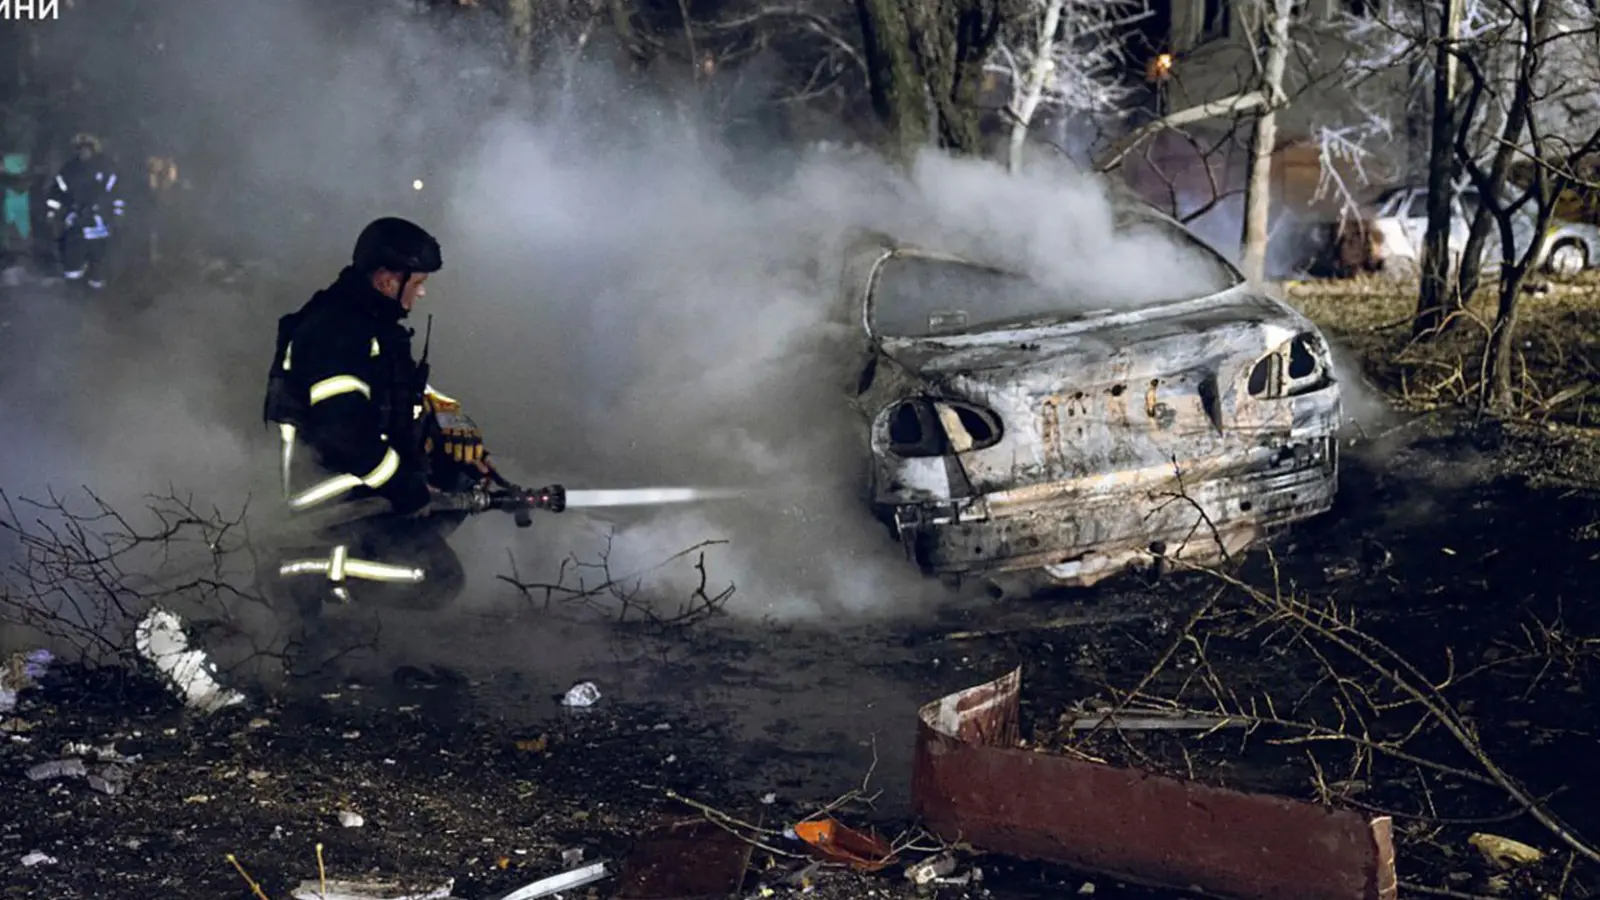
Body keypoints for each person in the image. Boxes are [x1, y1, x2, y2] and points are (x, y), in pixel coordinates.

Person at [261, 216, 501, 623]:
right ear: (388, 278)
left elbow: (398, 395)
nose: (421, 292)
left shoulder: (372, 328)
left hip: (360, 480)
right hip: (321, 496)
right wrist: (403, 484)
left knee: (458, 477)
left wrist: (449, 423)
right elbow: (342, 433)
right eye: (417, 282)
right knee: (435, 579)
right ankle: (297, 572)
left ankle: (364, 553)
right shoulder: (335, 331)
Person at [44, 133, 125, 290]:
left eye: (87, 149)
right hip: (76, 224)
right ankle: (74, 293)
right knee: (72, 263)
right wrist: (52, 214)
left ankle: (97, 294)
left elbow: (117, 194)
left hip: (101, 224)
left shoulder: (106, 168)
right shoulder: (69, 170)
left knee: (99, 264)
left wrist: (117, 216)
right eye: (80, 149)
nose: (84, 152)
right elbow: (57, 193)